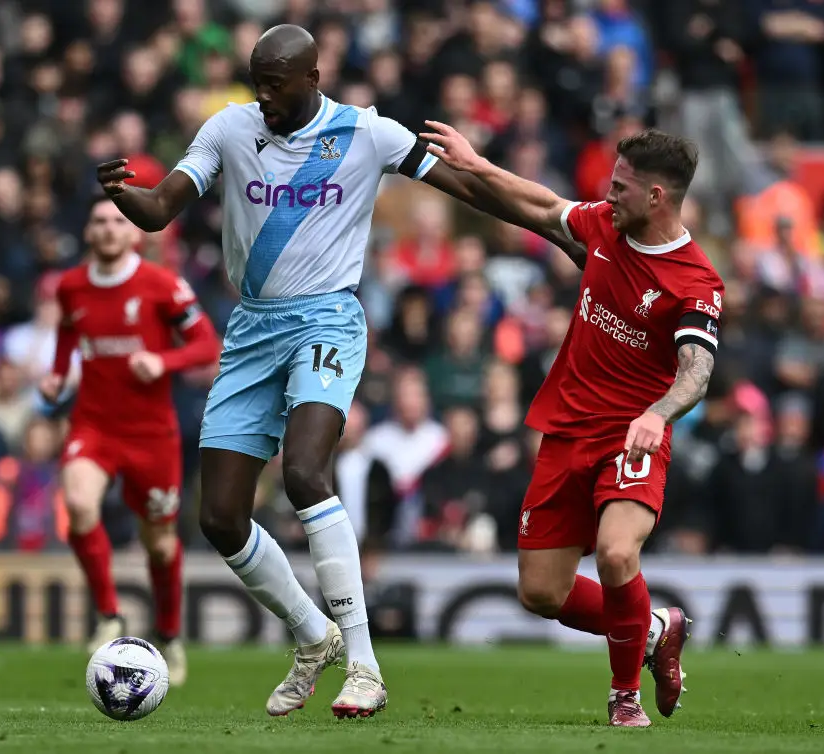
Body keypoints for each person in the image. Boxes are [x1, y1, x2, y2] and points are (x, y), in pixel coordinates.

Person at [95, 24, 579, 719]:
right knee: (222, 517)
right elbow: (160, 208)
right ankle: (311, 633)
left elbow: (469, 190)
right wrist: (124, 194)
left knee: (303, 473)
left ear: (311, 76)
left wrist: (556, 232)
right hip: (253, 326)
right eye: (256, 81)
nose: (262, 96)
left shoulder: (367, 134)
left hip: (327, 318)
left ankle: (365, 665)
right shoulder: (231, 128)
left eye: (274, 84)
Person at [421, 120, 723, 727]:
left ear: (657, 197)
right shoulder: (605, 228)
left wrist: (657, 414)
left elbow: (698, 371)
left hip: (630, 435)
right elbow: (538, 204)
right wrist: (475, 165)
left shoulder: (695, 282)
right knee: (540, 592)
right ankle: (657, 627)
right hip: (567, 431)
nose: (608, 194)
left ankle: (623, 697)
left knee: (616, 555)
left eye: (620, 186)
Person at [39, 196, 222, 686]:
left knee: (159, 546)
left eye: (117, 221)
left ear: (135, 233)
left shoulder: (161, 285)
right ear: (87, 232)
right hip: (93, 425)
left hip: (151, 435)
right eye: (98, 220)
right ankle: (108, 616)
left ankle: (168, 635)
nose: (107, 229)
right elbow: (66, 335)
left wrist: (164, 362)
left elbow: (208, 344)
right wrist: (57, 377)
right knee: (78, 503)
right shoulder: (71, 286)